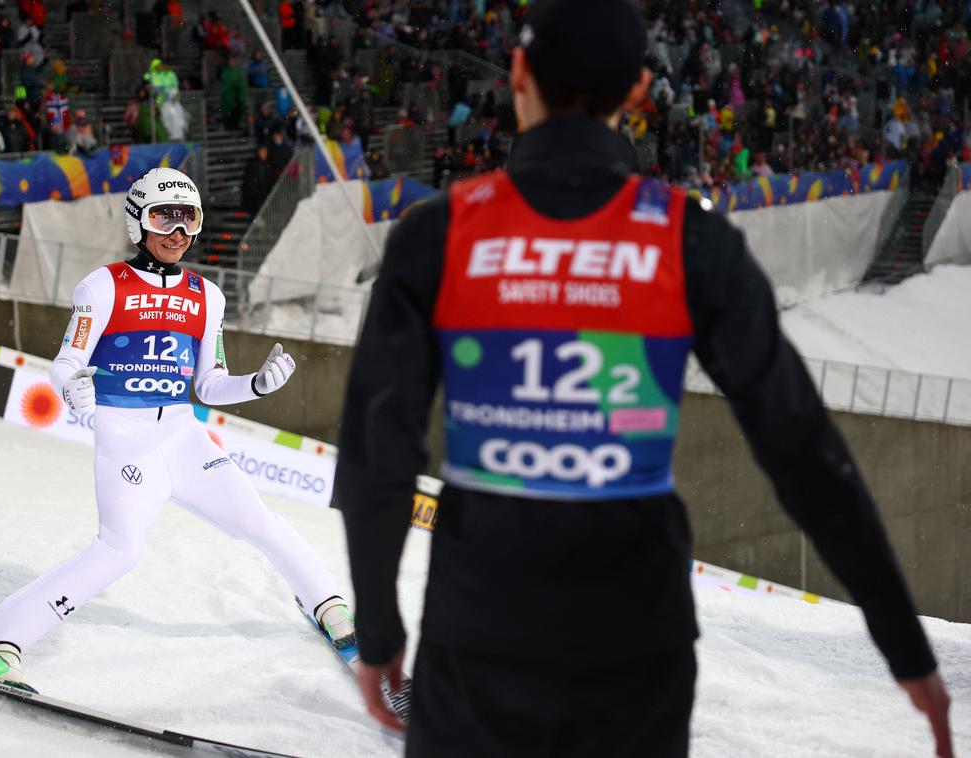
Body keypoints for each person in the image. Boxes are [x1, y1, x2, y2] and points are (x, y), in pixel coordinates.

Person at [334, 1, 955, 756]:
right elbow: (800, 448)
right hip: (635, 648)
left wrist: (377, 634)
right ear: (637, 93)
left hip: (480, 637)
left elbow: (378, 450)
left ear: (519, 74)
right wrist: (903, 646)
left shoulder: (441, 232)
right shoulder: (689, 238)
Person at [0, 167, 357, 691]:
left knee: (258, 521)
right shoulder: (101, 286)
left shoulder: (207, 296)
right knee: (119, 550)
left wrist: (255, 384)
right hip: (128, 436)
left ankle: (330, 607)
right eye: (165, 217)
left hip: (184, 437)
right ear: (137, 222)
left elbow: (207, 385)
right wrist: (74, 386)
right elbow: (67, 359)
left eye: (189, 219)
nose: (178, 231)